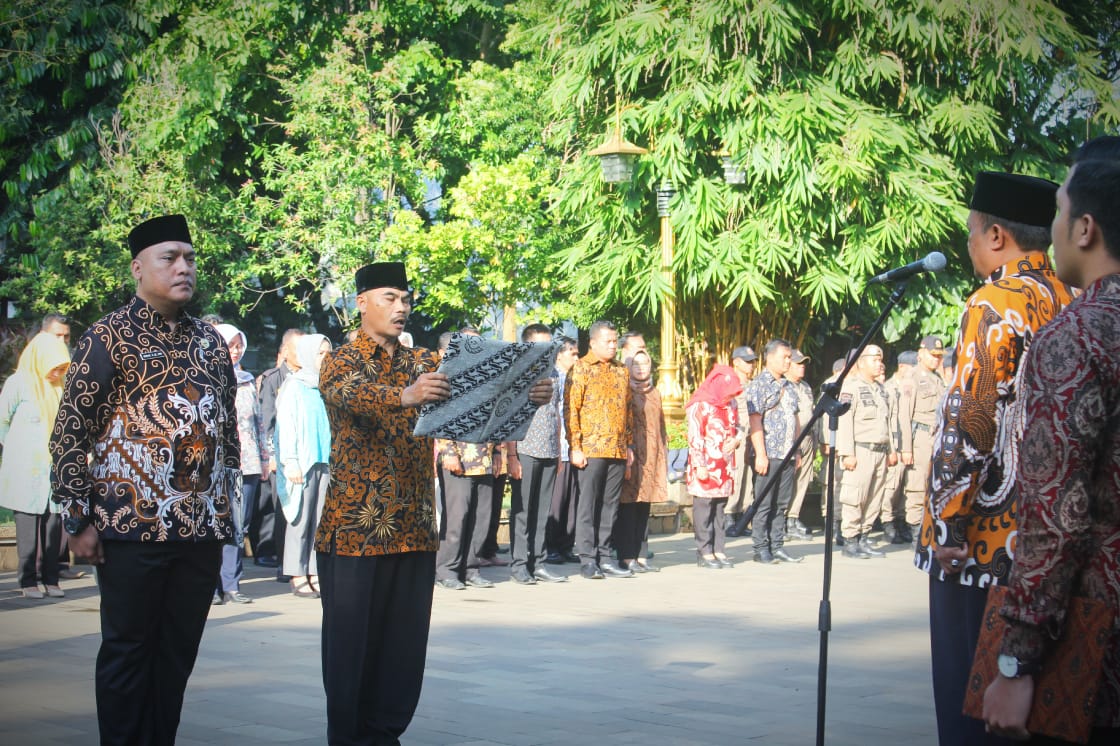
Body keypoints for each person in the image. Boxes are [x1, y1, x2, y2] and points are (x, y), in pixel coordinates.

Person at [315, 261, 554, 743]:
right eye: (389, 298)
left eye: (405, 299)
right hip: (354, 531)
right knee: (350, 647)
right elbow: (351, 395)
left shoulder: (425, 361)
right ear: (361, 303)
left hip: (414, 525)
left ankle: (385, 734)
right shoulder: (340, 360)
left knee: (403, 646)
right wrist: (406, 396)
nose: (401, 307)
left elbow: (480, 405)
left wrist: (528, 396)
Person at [50, 214, 240, 745]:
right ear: (138, 268)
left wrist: (226, 516)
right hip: (129, 528)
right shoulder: (107, 337)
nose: (184, 267)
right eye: (169, 258)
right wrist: (76, 517)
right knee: (128, 655)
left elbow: (227, 437)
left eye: (190, 257)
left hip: (198, 532)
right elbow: (70, 433)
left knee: (176, 659)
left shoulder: (209, 342)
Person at [915, 171, 1074, 746]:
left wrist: (948, 520)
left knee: (968, 706)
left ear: (999, 236)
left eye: (972, 234)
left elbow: (971, 420)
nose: (968, 246)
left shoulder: (992, 303)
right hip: (1039, 544)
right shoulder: (1067, 297)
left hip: (978, 546)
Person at [982, 155, 1120, 743]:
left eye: (1060, 211)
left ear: (1085, 228)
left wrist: (1016, 661)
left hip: (1096, 646)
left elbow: (1057, 519)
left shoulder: (1076, 336)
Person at [0, 332, 70, 598]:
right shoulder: (19, 383)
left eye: (62, 368)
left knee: (54, 528)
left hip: (54, 470)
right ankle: (27, 580)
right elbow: (2, 421)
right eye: (55, 367)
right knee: (28, 531)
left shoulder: (61, 386)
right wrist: (18, 451)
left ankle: (51, 580)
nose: (57, 373)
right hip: (26, 470)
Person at [565, 320, 634, 579]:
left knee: (610, 505)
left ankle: (605, 556)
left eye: (615, 341)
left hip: (616, 448)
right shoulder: (581, 368)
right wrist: (575, 446)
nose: (613, 345)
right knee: (587, 504)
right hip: (591, 448)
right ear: (592, 343)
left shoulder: (621, 370)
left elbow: (628, 410)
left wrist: (628, 445)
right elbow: (571, 409)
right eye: (608, 341)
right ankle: (587, 558)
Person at [505, 324, 567, 584]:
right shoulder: (518, 373)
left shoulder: (556, 373)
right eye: (541, 344)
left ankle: (538, 562)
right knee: (522, 511)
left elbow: (558, 413)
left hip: (550, 449)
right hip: (525, 449)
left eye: (549, 344)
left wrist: (560, 450)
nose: (546, 349)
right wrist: (511, 456)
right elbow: (508, 417)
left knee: (542, 511)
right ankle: (519, 564)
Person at [213, 323, 267, 604]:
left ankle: (232, 584)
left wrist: (264, 460)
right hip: (216, 464)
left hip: (247, 463)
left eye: (237, 346)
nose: (234, 351)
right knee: (215, 523)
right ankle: (211, 585)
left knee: (239, 525)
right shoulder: (206, 376)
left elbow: (258, 423)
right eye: (229, 345)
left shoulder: (247, 380)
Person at [276, 333, 332, 599]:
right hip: (304, 462)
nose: (326, 358)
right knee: (300, 519)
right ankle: (296, 573)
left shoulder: (327, 385)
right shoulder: (294, 385)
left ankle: (315, 571)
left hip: (327, 461)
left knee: (322, 521)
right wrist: (291, 462)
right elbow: (285, 427)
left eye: (328, 352)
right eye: (321, 353)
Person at [745, 339, 803, 564]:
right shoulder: (760, 384)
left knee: (781, 503)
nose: (788, 361)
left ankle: (777, 545)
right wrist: (761, 453)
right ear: (769, 358)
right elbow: (755, 421)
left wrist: (796, 451)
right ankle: (761, 548)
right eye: (785, 357)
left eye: (790, 357)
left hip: (787, 454)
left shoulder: (789, 386)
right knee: (763, 502)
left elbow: (795, 419)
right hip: (768, 454)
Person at [253, 328, 304, 571]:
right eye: (298, 349)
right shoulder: (273, 377)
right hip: (278, 453)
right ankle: (270, 552)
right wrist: (271, 454)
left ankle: (290, 559)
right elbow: (266, 419)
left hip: (300, 453)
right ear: (285, 352)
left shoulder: (307, 377)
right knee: (275, 505)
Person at [836, 345, 893, 559]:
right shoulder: (851, 387)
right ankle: (850, 540)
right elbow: (845, 422)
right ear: (861, 362)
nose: (879, 364)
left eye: (881, 360)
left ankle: (864, 537)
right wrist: (847, 453)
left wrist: (891, 450)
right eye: (874, 360)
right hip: (860, 450)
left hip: (880, 450)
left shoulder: (880, 389)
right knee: (855, 496)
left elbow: (888, 423)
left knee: (874, 497)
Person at [686, 364, 743, 569]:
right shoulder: (701, 405)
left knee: (720, 509)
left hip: (724, 466)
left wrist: (737, 439)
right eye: (728, 392)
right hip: (706, 465)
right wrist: (700, 465)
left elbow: (738, 427)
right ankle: (704, 551)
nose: (730, 397)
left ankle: (719, 549)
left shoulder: (731, 404)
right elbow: (694, 436)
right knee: (704, 509)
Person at [617, 349, 667, 573]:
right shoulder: (625, 390)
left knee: (644, 505)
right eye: (636, 364)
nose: (641, 368)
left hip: (651, 457)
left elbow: (661, 426)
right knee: (629, 506)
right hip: (632, 454)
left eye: (645, 363)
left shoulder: (655, 393)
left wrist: (662, 453)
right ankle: (627, 556)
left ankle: (641, 554)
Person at [897, 339, 945, 549]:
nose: (936, 359)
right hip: (920, 438)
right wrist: (906, 448)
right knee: (917, 486)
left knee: (933, 485)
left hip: (937, 438)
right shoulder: (911, 378)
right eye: (933, 354)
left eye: (939, 355)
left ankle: (928, 528)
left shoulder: (938, 380)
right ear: (921, 353)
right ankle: (915, 529)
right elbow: (904, 416)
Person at [544, 337, 581, 564]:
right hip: (557, 447)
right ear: (559, 354)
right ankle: (551, 547)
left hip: (575, 448)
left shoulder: (576, 378)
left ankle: (566, 545)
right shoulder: (553, 377)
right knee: (556, 501)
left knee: (572, 501)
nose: (576, 358)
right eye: (572, 354)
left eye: (577, 354)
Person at [725, 345, 757, 537]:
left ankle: (741, 518)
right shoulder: (730, 383)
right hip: (737, 436)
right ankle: (729, 515)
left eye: (753, 361)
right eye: (747, 361)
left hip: (752, 436)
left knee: (747, 480)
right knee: (736, 476)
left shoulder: (752, 384)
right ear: (736, 362)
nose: (751, 365)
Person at [784, 348, 816, 540]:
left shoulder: (805, 386)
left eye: (804, 363)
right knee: (787, 481)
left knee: (803, 481)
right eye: (798, 363)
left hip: (807, 438)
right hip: (790, 439)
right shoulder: (783, 386)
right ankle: (782, 519)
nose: (802, 367)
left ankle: (793, 518)